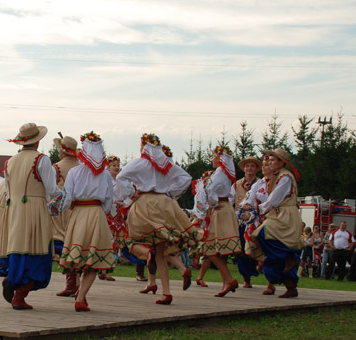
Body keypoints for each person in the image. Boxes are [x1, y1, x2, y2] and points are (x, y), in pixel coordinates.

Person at [115, 134, 197, 305]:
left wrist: (130, 193)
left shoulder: (141, 163)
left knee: (132, 240)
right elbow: (186, 178)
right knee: (160, 251)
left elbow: (121, 177)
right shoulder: (167, 165)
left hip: (145, 203)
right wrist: (170, 193)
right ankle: (166, 292)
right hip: (165, 204)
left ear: (144, 146)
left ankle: (149, 258)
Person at [0, 122, 63, 310]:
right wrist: (66, 195)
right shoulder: (41, 159)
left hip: (15, 209)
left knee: (19, 247)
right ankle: (19, 294)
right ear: (37, 141)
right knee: (38, 249)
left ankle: (12, 279)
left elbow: (8, 191)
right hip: (34, 208)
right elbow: (52, 190)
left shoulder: (10, 161)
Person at [57, 131, 115, 311]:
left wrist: (57, 209)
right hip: (97, 213)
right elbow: (109, 200)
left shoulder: (74, 172)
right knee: (94, 258)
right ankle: (81, 296)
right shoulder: (105, 175)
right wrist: (99, 210)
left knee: (79, 255)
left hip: (79, 214)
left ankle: (80, 294)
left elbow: (66, 199)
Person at [251, 149, 304, 298]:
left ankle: (287, 259)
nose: (270, 162)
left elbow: (274, 199)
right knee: (260, 235)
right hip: (277, 213)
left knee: (263, 233)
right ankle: (287, 269)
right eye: (270, 160)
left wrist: (258, 209)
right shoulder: (277, 176)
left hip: (286, 215)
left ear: (282, 162)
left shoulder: (285, 177)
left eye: (273, 160)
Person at [200, 145, 241, 297]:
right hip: (226, 208)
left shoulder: (219, 173)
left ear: (218, 158)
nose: (211, 159)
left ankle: (229, 280)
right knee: (218, 249)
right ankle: (226, 282)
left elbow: (209, 191)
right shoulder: (226, 174)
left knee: (210, 249)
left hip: (221, 209)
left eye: (213, 156)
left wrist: (214, 204)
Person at [51, 135, 82, 296]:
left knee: (65, 244)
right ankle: (76, 283)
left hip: (61, 209)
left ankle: (72, 284)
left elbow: (51, 188)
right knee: (76, 244)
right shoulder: (81, 167)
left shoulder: (56, 167)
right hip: (78, 209)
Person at [234, 156, 262, 287]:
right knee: (240, 250)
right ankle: (246, 278)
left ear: (256, 169)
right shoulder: (236, 184)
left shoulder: (262, 184)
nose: (249, 168)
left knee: (259, 248)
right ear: (244, 169)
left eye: (252, 166)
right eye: (247, 166)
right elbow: (230, 201)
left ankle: (267, 278)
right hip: (240, 222)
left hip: (257, 222)